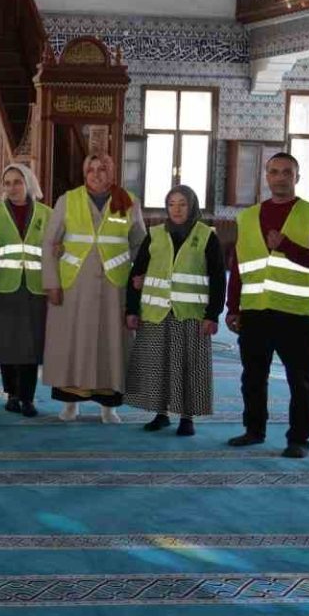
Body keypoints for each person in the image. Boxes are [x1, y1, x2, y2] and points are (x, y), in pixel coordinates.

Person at [226, 152, 309, 459]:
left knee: (301, 380)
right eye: (274, 171)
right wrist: (232, 307)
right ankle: (253, 430)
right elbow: (239, 266)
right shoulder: (248, 217)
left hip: (295, 314)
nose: (280, 177)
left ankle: (299, 439)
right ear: (266, 176)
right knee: (252, 377)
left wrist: (286, 246)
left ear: (297, 177)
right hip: (255, 312)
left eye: (287, 172)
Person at [41, 153, 146, 423]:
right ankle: (70, 404)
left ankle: (108, 407)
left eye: (103, 169)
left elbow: (140, 245)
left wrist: (139, 281)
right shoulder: (68, 200)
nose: (97, 174)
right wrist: (51, 283)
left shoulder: (129, 201)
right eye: (91, 169)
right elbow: (49, 242)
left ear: (112, 172)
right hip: (73, 287)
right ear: (84, 173)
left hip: (115, 288)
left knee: (112, 345)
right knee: (71, 344)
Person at [124, 185, 224, 437]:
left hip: (191, 315)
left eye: (182, 204)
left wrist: (212, 315)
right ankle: (161, 414)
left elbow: (217, 279)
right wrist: (132, 309)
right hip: (156, 313)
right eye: (171, 204)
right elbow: (136, 274)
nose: (176, 209)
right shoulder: (155, 234)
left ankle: (186, 418)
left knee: (188, 367)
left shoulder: (206, 236)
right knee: (157, 365)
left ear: (192, 206)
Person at [0, 163, 50, 418]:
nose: (12, 188)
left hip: (35, 288)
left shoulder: (47, 214)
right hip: (2, 287)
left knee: (31, 345)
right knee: (6, 344)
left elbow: (55, 253)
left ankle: (27, 398)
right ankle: (12, 395)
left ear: (28, 183)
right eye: (7, 183)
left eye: (17, 182)